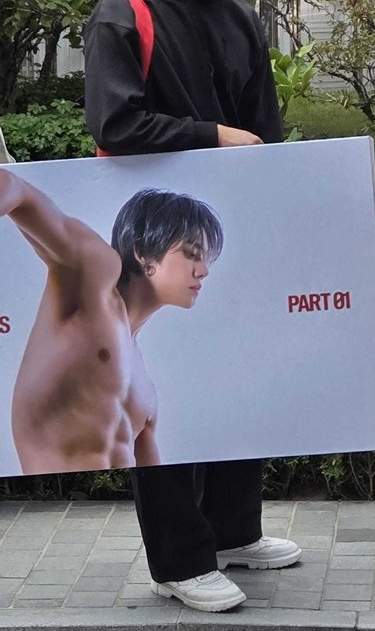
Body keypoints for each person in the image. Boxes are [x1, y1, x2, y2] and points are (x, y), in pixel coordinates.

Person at [84, 0, 301, 613]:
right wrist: (213, 136)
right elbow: (115, 122)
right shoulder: (123, 14)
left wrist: (275, 196)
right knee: (167, 394)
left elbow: (263, 126)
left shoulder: (238, 15)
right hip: (155, 236)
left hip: (227, 224)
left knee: (236, 372)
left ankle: (233, 531)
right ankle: (178, 562)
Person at [4, 177, 222, 474]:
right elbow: (12, 185)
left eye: (206, 258)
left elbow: (154, 483)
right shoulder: (92, 277)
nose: (204, 270)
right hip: (55, 496)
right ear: (143, 253)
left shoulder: (145, 388)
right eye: (191, 254)